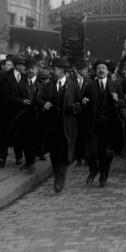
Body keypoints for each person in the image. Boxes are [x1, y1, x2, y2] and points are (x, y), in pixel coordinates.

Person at [37, 58, 80, 192]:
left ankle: (60, 179)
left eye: (55, 69)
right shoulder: (47, 86)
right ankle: (57, 177)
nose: (52, 71)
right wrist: (44, 104)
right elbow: (37, 98)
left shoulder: (73, 86)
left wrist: (75, 108)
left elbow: (80, 103)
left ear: (62, 71)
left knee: (64, 154)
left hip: (67, 126)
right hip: (52, 126)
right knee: (54, 154)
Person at [83, 59, 124, 187]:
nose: (101, 70)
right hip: (94, 125)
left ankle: (104, 175)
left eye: (103, 68)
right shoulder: (89, 86)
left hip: (110, 125)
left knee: (107, 152)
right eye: (99, 68)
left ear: (108, 71)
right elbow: (83, 101)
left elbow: (124, 104)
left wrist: (118, 100)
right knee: (92, 152)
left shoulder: (115, 85)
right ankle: (94, 169)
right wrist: (83, 101)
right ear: (95, 71)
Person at [73, 58, 92, 166]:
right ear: (78, 70)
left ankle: (84, 157)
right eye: (85, 69)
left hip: (85, 113)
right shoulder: (70, 80)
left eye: (87, 69)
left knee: (84, 136)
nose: (86, 71)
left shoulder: (89, 81)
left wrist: (86, 100)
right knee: (75, 136)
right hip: (74, 112)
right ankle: (78, 157)